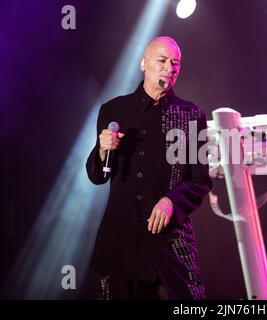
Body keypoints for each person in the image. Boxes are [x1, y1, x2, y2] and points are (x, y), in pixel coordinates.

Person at [86, 36, 212, 300]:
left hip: (169, 241)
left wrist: (172, 201)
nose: (170, 67)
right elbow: (97, 176)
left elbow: (199, 181)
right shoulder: (113, 110)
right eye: (162, 60)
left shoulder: (191, 115)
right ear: (144, 63)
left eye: (175, 63)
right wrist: (101, 150)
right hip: (121, 240)